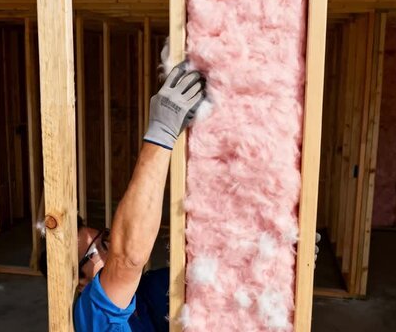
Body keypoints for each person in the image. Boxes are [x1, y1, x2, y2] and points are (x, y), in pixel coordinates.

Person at [39, 61, 319, 331]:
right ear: (81, 282)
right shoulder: (91, 316)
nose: (113, 246)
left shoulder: (147, 289)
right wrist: (161, 132)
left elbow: (215, 284)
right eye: (97, 250)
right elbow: (127, 260)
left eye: (106, 238)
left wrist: (280, 264)